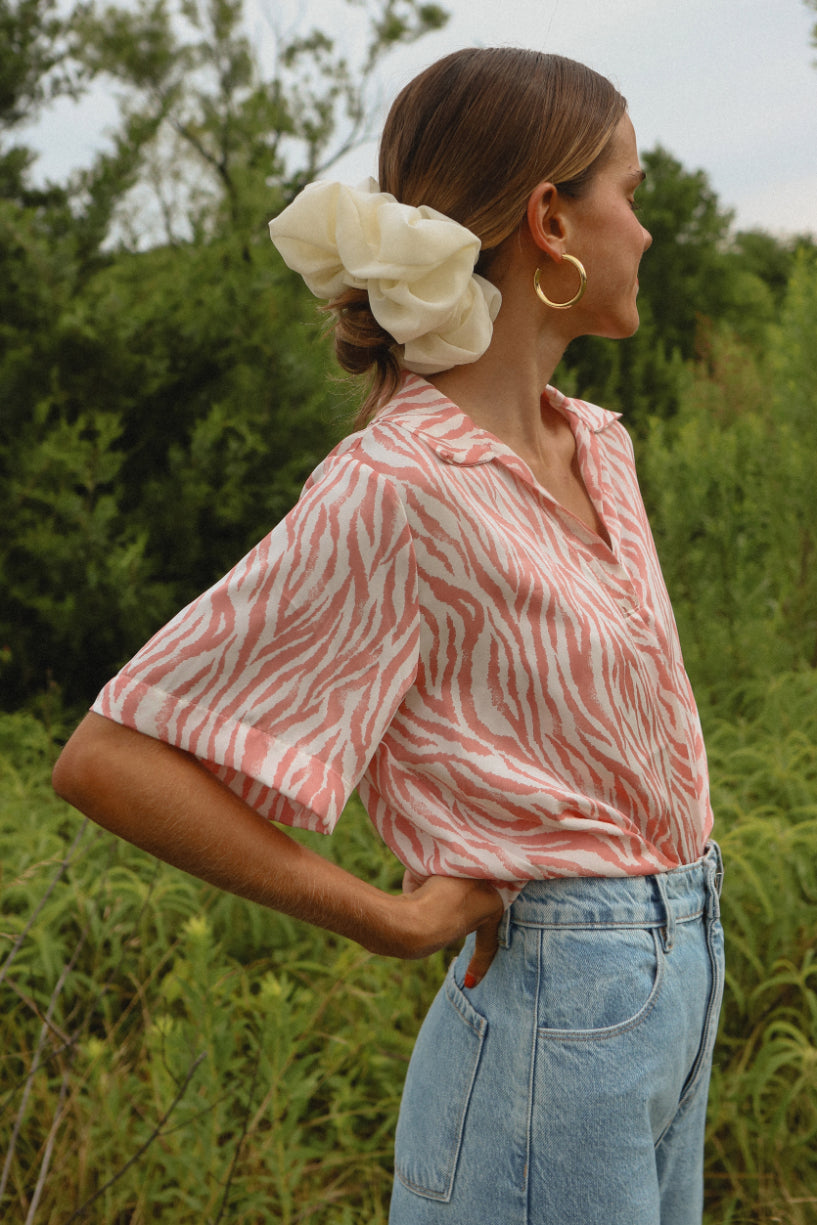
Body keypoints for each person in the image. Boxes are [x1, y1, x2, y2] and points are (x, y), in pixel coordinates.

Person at [52, 47, 724, 1225]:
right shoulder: (399, 484)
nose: (646, 230)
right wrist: (390, 917)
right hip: (553, 1026)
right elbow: (110, 756)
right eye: (630, 191)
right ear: (550, 222)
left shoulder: (596, 446)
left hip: (674, 990)